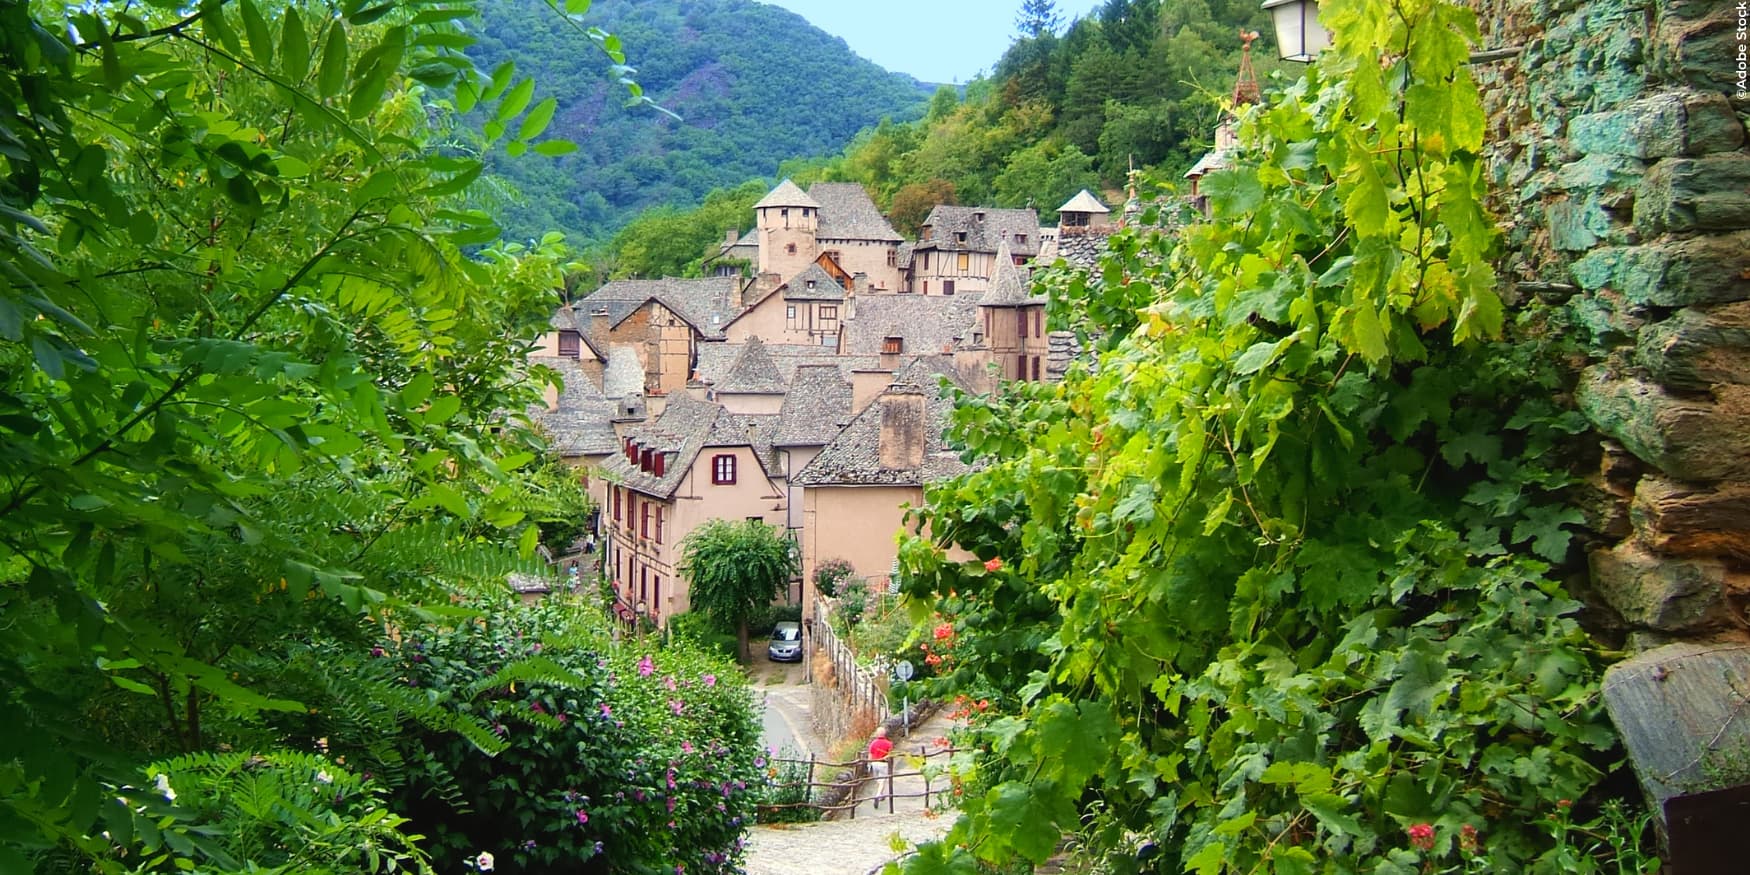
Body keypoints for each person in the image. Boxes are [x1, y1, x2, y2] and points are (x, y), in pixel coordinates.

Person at [867, 726, 893, 809]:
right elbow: (890, 755)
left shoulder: (873, 743)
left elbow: (870, 754)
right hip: (883, 764)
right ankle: (878, 795)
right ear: (884, 734)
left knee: (878, 780)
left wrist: (869, 764)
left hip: (874, 763)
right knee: (882, 781)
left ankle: (881, 795)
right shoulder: (889, 743)